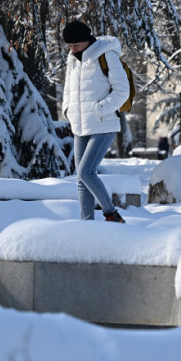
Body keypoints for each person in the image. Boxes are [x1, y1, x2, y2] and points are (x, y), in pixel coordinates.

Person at [60, 20, 129, 223]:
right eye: (70, 46)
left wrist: (100, 109)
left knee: (86, 171)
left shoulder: (106, 55)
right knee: (81, 179)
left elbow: (122, 90)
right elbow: (67, 89)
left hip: (103, 124)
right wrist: (68, 110)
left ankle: (111, 213)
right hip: (80, 126)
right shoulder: (72, 59)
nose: (72, 49)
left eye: (76, 45)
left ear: (87, 40)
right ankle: (86, 224)